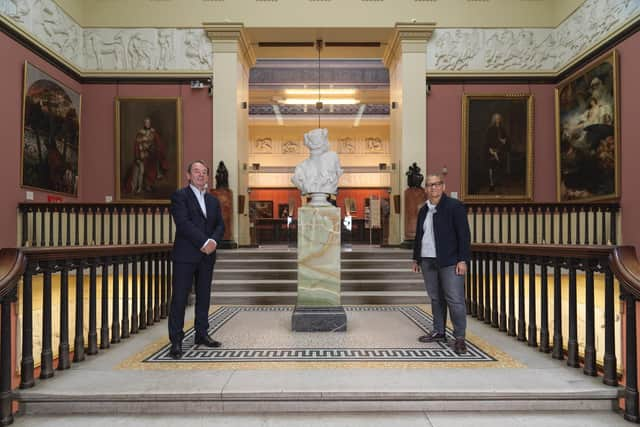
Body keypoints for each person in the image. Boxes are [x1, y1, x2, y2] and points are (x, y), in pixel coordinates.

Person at [168, 160, 225, 359]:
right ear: (188, 175)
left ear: (208, 176)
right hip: (186, 255)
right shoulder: (180, 196)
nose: (201, 175)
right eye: (196, 171)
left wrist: (213, 242)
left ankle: (201, 334)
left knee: (204, 297)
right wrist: (204, 242)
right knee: (180, 299)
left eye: (204, 172)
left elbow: (220, 225)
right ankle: (176, 340)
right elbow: (183, 223)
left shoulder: (213, 201)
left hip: (207, 257)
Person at [412, 173, 471, 355]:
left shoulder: (455, 206)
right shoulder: (423, 210)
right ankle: (439, 331)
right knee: (436, 298)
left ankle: (459, 337)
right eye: (429, 185)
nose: (433, 188)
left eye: (437, 184)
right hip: (428, 260)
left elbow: (464, 235)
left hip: (450, 261)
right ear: (426, 189)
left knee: (455, 299)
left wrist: (463, 259)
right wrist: (416, 258)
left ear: (443, 186)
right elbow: (419, 236)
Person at [485, 113, 509, 191]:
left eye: (499, 118)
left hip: (501, 150)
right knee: (491, 167)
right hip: (492, 150)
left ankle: (499, 183)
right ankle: (491, 184)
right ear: (494, 119)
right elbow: (487, 140)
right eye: (496, 118)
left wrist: (504, 141)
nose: (498, 120)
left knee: (500, 167)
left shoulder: (503, 129)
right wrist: (490, 149)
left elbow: (506, 140)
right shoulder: (490, 128)